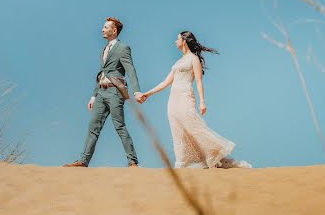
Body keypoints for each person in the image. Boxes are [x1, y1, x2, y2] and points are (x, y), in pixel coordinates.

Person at [138, 31, 250, 169]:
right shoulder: (178, 62)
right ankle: (181, 162)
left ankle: (214, 155)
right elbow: (165, 82)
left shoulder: (193, 59)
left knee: (194, 127)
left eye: (178, 39)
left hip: (186, 96)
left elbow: (198, 81)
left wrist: (202, 101)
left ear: (184, 41)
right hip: (173, 100)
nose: (175, 41)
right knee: (177, 131)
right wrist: (148, 93)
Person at [65, 16, 144, 167]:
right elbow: (102, 73)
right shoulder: (104, 49)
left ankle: (132, 161)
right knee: (93, 127)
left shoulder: (123, 48)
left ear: (114, 31)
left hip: (115, 92)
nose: (102, 29)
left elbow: (131, 70)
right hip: (101, 93)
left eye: (106, 27)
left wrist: (136, 91)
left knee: (119, 126)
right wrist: (94, 96)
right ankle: (83, 160)